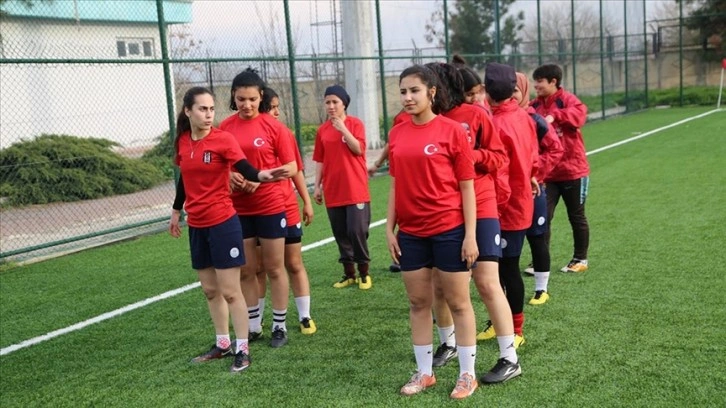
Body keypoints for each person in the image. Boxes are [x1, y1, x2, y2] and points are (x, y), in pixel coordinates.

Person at [169, 87, 285, 372]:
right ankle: (222, 343)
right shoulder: (183, 142)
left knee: (231, 291)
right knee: (210, 290)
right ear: (188, 111)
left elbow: (244, 166)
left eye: (211, 109)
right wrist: (176, 211)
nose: (208, 114)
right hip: (197, 225)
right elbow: (185, 176)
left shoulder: (223, 140)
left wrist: (261, 175)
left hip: (223, 224)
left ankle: (242, 349)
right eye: (202, 109)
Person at [424, 62, 521, 385]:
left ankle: (509, 356)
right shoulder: (423, 122)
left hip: (480, 206)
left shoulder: (475, 115)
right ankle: (448, 343)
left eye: (428, 85)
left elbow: (498, 158)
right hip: (443, 211)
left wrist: (469, 155)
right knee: (440, 284)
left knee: (486, 282)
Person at [387, 64, 479, 399]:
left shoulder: (452, 131)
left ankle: (467, 374)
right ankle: (425, 373)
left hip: (449, 230)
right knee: (417, 302)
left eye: (414, 90)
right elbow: (396, 185)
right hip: (411, 233)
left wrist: (470, 235)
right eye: (403, 91)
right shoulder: (397, 133)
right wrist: (389, 228)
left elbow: (467, 188)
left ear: (432, 93)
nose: (408, 97)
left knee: (458, 301)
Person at [220, 69, 298, 348]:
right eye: (241, 99)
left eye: (252, 99)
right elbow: (219, 165)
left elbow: (291, 167)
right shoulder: (224, 129)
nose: (247, 104)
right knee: (246, 269)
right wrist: (229, 176)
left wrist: (260, 175)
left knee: (275, 268)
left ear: (260, 97)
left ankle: (279, 326)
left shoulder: (275, 128)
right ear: (233, 96)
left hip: (270, 205)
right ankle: (253, 326)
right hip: (237, 209)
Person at [486, 63, 539, 352]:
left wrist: (494, 211)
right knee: (501, 271)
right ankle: (501, 322)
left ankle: (515, 329)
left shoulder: (498, 123)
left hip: (508, 209)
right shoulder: (522, 115)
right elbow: (534, 156)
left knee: (506, 270)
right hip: (519, 204)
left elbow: (502, 176)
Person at [258, 87, 317, 334]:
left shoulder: (283, 133)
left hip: (286, 206)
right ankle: (255, 321)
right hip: (258, 211)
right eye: (273, 107)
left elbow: (297, 170)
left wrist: (306, 200)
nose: (277, 112)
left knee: (293, 262)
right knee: (258, 267)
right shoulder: (239, 132)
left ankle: (305, 315)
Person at [531, 64, 590, 273]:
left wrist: (555, 116)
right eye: (535, 81)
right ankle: (540, 259)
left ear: (553, 81)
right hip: (547, 173)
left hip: (573, 170)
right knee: (542, 216)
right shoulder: (534, 106)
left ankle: (580, 259)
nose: (535, 85)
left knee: (576, 215)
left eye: (539, 81)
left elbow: (580, 115)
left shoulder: (568, 100)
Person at [312, 85, 372, 290]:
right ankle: (349, 274)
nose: (330, 106)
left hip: (355, 188)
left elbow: (359, 150)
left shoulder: (355, 124)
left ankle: (364, 272)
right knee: (340, 233)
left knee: (357, 231)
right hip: (333, 189)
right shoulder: (322, 130)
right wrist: (317, 186)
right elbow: (320, 160)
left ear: (344, 103)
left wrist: (343, 129)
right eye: (327, 102)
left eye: (335, 102)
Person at [513, 73, 564, 305]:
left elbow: (555, 149)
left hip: (533, 191)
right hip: (506, 194)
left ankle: (541, 289)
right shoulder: (494, 119)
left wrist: (533, 173)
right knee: (507, 248)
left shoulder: (535, 120)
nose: (509, 96)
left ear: (523, 92)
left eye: (515, 91)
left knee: (537, 238)